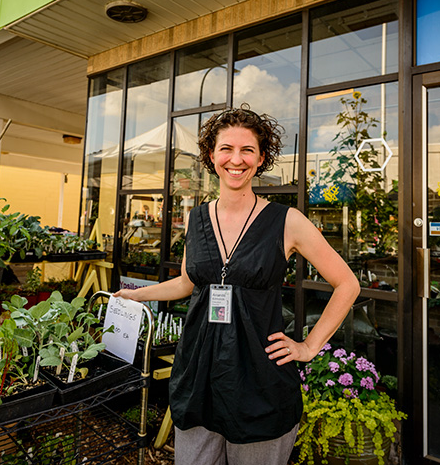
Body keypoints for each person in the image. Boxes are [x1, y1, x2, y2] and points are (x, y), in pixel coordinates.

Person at [114, 106, 360, 465]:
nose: (236, 159)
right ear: (211, 156)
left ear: (261, 159)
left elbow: (347, 284)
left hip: (259, 382)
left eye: (248, 150)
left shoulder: (286, 221)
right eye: (226, 148)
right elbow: (187, 282)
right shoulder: (196, 219)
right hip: (198, 375)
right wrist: (136, 295)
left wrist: (308, 346)